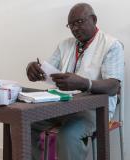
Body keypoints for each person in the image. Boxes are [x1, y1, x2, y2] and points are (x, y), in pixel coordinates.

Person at [26, 3, 124, 160]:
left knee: (68, 135)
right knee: (27, 124)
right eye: (70, 25)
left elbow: (113, 86)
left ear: (93, 19)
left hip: (94, 110)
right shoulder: (65, 45)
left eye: (79, 22)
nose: (75, 28)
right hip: (62, 106)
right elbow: (47, 70)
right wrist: (34, 69)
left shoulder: (111, 45)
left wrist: (84, 83)